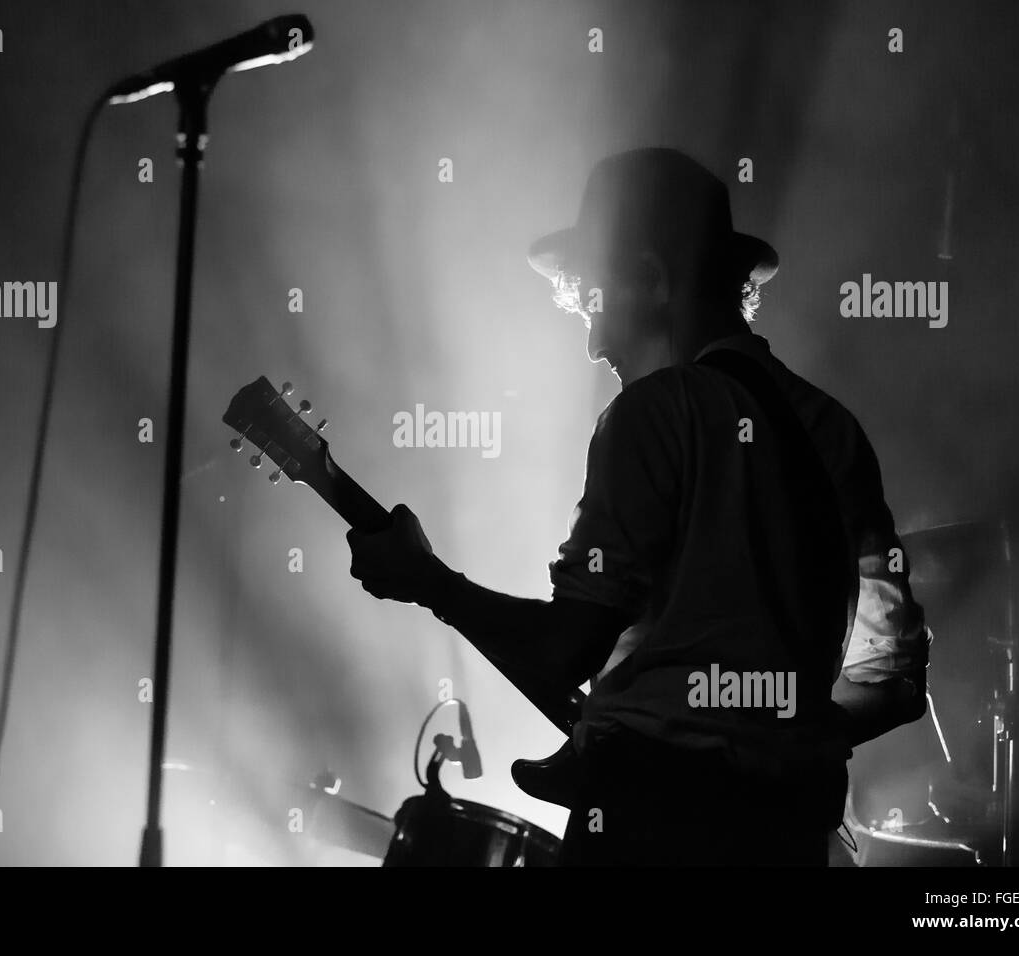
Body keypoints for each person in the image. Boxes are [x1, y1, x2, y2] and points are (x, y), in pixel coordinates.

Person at [347, 148, 929, 865]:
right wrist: (773, 741)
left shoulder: (654, 412)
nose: (593, 343)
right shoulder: (832, 428)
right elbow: (894, 683)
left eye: (596, 302)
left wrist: (429, 582)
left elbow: (567, 652)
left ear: (652, 280)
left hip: (648, 832)